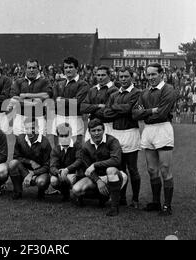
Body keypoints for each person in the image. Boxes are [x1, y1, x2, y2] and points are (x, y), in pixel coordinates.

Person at [132, 63, 179, 216]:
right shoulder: (144, 92)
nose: (151, 77)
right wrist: (151, 110)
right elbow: (135, 114)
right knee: (152, 170)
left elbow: (162, 114)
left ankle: (167, 206)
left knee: (165, 169)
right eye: (148, 75)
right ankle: (156, 202)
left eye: (154, 74)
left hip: (163, 129)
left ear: (161, 74)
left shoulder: (168, 90)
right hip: (148, 130)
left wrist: (144, 113)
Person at [101, 66, 142, 208]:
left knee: (132, 168)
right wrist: (122, 109)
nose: (123, 79)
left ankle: (135, 199)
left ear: (132, 77)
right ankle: (122, 198)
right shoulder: (113, 95)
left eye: (126, 76)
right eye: (121, 77)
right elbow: (106, 113)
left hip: (130, 132)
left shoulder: (137, 93)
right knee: (119, 168)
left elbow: (131, 110)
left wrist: (115, 108)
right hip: (116, 133)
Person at [71, 119, 127, 217]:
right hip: (98, 177)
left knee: (110, 170)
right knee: (76, 190)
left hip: (116, 175)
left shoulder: (112, 141)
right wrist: (98, 181)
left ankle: (114, 208)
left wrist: (95, 165)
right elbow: (87, 168)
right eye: (93, 131)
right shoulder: (86, 146)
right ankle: (102, 197)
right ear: (89, 132)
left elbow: (116, 160)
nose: (96, 133)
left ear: (103, 130)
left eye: (99, 130)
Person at [9, 118, 52, 200]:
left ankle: (41, 193)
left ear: (37, 128)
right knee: (13, 163)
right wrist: (30, 161)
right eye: (27, 128)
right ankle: (17, 191)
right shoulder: (20, 139)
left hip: (40, 172)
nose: (29, 131)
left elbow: (47, 166)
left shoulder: (45, 142)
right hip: (25, 170)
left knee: (41, 182)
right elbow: (16, 157)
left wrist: (32, 174)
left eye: (32, 128)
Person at [51, 57, 89, 144]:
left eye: (71, 67)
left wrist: (61, 100)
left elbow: (76, 102)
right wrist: (69, 101)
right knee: (59, 149)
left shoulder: (83, 84)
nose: (68, 70)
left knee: (75, 150)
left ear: (77, 69)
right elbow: (54, 102)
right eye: (66, 67)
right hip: (59, 118)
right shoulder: (58, 83)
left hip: (75, 119)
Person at [9, 59, 52, 136]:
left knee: (40, 144)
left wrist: (25, 95)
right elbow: (14, 98)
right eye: (29, 68)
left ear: (38, 69)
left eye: (34, 67)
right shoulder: (18, 82)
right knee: (20, 144)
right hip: (21, 117)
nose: (31, 70)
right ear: (25, 69)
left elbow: (46, 95)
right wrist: (33, 103)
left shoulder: (44, 81)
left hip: (39, 117)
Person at [81, 65, 118, 138]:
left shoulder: (114, 90)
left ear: (109, 76)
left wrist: (91, 110)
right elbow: (83, 107)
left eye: (103, 75)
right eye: (98, 75)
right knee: (89, 148)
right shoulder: (92, 90)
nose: (100, 77)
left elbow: (108, 111)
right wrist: (97, 106)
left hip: (106, 125)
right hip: (91, 125)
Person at [49, 123, 83, 202]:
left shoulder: (78, 146)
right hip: (62, 174)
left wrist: (67, 170)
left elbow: (79, 161)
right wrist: (59, 172)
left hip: (76, 174)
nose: (64, 138)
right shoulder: (56, 149)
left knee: (72, 178)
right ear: (58, 136)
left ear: (71, 134)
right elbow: (52, 166)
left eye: (66, 135)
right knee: (53, 180)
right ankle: (65, 194)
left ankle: (78, 195)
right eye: (61, 136)